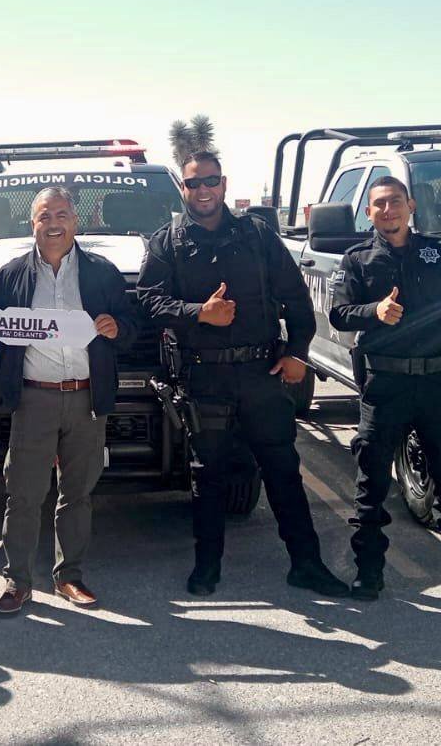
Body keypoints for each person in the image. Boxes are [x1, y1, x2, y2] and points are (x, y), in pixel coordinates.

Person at [138, 150, 349, 598]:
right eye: (194, 183)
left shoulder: (257, 235)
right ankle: (207, 567)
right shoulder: (167, 241)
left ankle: (307, 564)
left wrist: (297, 353)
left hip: (261, 372)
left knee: (282, 469)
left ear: (224, 183)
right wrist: (199, 313)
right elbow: (149, 301)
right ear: (183, 188)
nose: (203, 190)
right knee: (208, 474)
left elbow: (296, 298)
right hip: (204, 377)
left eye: (210, 180)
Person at [329, 176, 441, 600]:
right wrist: (375, 311)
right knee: (372, 481)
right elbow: (339, 313)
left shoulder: (437, 252)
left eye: (395, 202)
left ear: (410, 206)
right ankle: (368, 570)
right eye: (379, 204)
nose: (387, 210)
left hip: (434, 382)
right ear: (368, 213)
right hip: (384, 384)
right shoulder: (357, 259)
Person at [0, 187, 139, 615]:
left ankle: (69, 576)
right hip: (34, 398)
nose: (53, 223)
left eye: (62, 214)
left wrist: (117, 327)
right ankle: (17, 581)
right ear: (32, 224)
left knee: (77, 493)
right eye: (44, 216)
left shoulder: (102, 272)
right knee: (23, 495)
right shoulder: (11, 275)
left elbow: (133, 326)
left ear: (75, 221)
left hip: (86, 398)